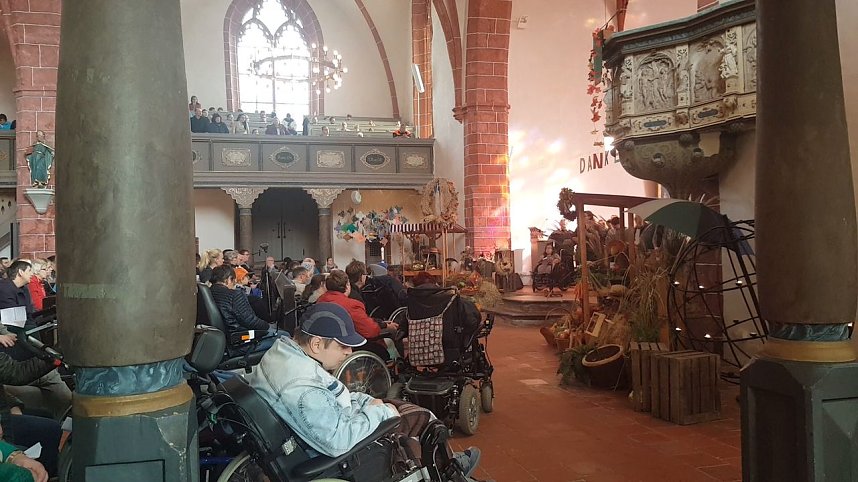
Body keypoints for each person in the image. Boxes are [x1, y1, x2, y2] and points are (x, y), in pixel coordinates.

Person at [245, 303, 481, 478]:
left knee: (411, 412)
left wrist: (368, 402)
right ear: (317, 344)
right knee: (426, 423)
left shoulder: (282, 356)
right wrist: (381, 412)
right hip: (342, 455)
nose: (348, 352)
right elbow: (337, 441)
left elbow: (327, 399)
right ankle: (450, 471)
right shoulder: (303, 390)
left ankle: (448, 463)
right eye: (343, 345)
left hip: (327, 426)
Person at [317, 270, 395, 361]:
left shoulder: (320, 301)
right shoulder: (352, 305)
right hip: (347, 347)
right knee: (385, 346)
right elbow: (369, 331)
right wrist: (385, 326)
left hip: (325, 346)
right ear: (347, 285)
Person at [209, 265, 288, 344]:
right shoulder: (234, 294)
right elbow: (250, 321)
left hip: (223, 340)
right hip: (241, 341)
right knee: (285, 335)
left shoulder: (209, 292)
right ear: (229, 279)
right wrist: (267, 326)